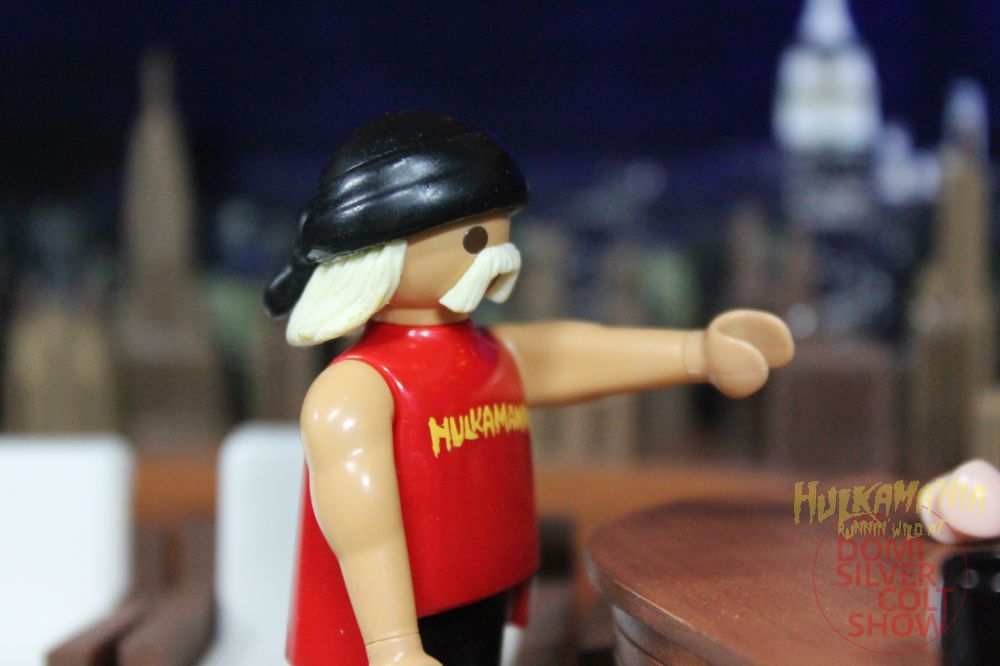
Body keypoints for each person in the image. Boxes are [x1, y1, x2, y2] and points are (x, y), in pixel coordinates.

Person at [265, 111, 795, 666]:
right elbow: (362, 527)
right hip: (386, 628)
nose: (500, 255)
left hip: (479, 595)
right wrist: (393, 646)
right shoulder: (357, 387)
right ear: (383, 250)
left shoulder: (488, 355)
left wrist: (698, 352)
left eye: (502, 230)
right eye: (476, 237)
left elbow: (572, 354)